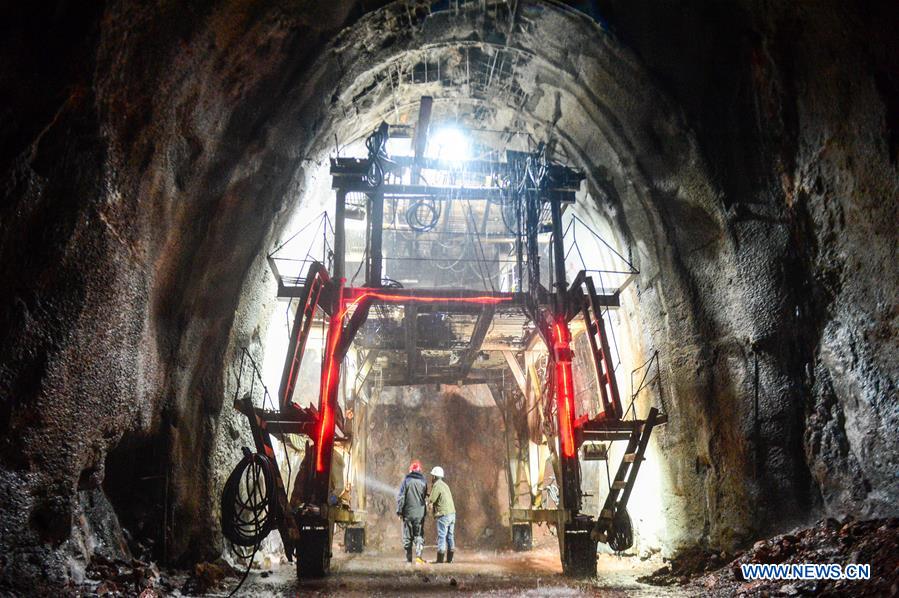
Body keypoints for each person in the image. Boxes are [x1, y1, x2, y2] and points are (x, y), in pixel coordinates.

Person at [396, 460, 428, 564]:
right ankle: (419, 557)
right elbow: (425, 497)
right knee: (418, 535)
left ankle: (408, 559)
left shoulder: (406, 481)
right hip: (420, 514)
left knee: (407, 536)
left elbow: (401, 497)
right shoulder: (423, 482)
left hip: (408, 513)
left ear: (410, 470)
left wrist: (399, 511)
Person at [427, 466, 456, 563]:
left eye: (432, 476)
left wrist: (428, 502)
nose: (431, 478)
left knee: (442, 536)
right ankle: (450, 560)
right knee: (450, 536)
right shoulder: (444, 485)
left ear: (435, 476)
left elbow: (432, 499)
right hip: (452, 514)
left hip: (443, 514)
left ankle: (439, 560)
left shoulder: (437, 485)